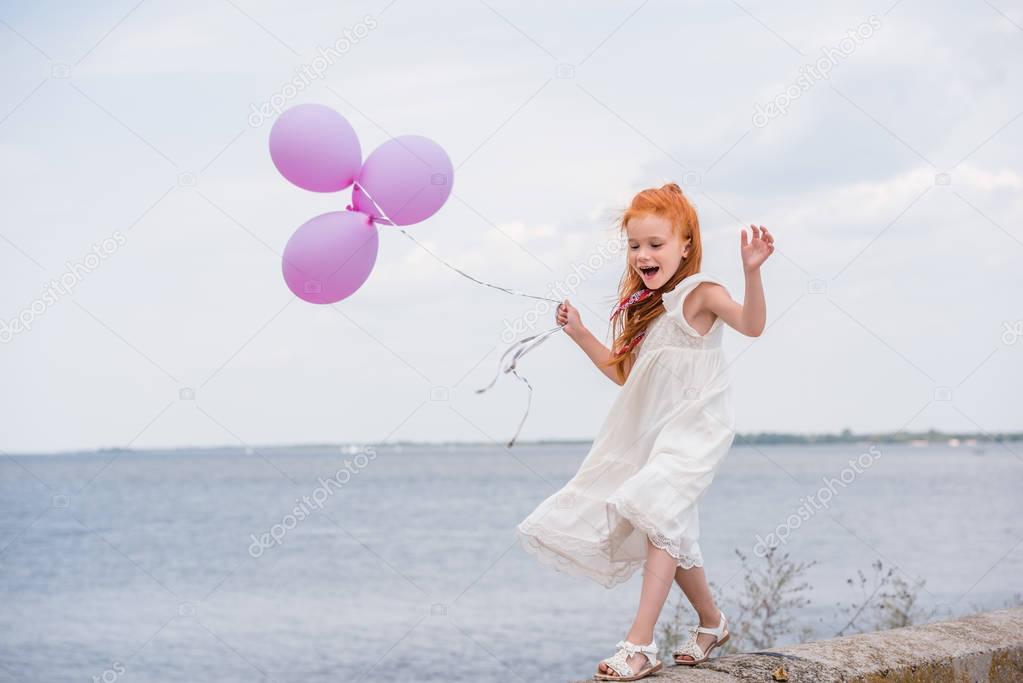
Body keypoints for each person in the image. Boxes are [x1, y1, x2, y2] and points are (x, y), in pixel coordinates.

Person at [515, 182, 773, 680]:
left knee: (655, 507)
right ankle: (712, 622)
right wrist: (581, 333)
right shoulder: (644, 308)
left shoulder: (701, 293)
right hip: (655, 431)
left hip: (699, 427)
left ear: (685, 246)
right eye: (635, 245)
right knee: (667, 526)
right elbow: (623, 374)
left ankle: (640, 645)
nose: (643, 254)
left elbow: (752, 325)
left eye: (656, 244)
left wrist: (751, 273)